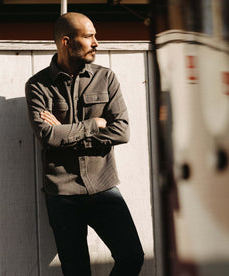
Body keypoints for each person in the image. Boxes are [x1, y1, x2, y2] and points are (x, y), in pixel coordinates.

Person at [25, 12, 144, 276]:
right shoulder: (38, 86)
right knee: (76, 270)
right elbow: (47, 136)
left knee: (132, 256)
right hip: (62, 193)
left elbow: (122, 132)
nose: (96, 42)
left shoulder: (106, 78)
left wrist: (66, 134)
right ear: (67, 42)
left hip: (103, 186)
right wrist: (94, 124)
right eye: (89, 36)